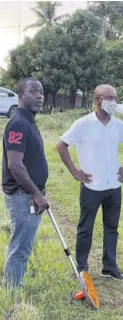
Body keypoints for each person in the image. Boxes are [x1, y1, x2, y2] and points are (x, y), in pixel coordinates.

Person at [56, 84, 123, 280]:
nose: (114, 102)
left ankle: (109, 267)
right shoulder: (83, 124)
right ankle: (82, 269)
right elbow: (61, 145)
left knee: (112, 228)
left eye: (115, 98)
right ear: (98, 100)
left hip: (114, 186)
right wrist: (75, 171)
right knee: (85, 229)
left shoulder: (119, 125)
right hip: (92, 186)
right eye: (110, 98)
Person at [2, 77, 48, 287]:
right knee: (20, 244)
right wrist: (36, 194)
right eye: (33, 91)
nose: (39, 96)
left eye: (41, 92)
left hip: (30, 193)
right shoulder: (18, 123)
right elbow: (15, 165)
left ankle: (15, 280)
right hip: (23, 195)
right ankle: (12, 288)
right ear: (20, 96)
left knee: (24, 243)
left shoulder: (27, 120)